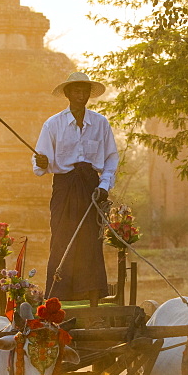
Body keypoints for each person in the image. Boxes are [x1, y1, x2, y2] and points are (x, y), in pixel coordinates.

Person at [33, 72, 119, 303]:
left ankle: (91, 296)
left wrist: (104, 185)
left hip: (91, 188)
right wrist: (42, 162)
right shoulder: (53, 124)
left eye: (85, 92)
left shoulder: (100, 123)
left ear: (89, 95)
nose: (81, 96)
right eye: (76, 91)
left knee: (91, 241)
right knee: (62, 238)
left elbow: (111, 158)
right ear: (68, 94)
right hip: (64, 188)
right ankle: (57, 299)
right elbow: (40, 164)